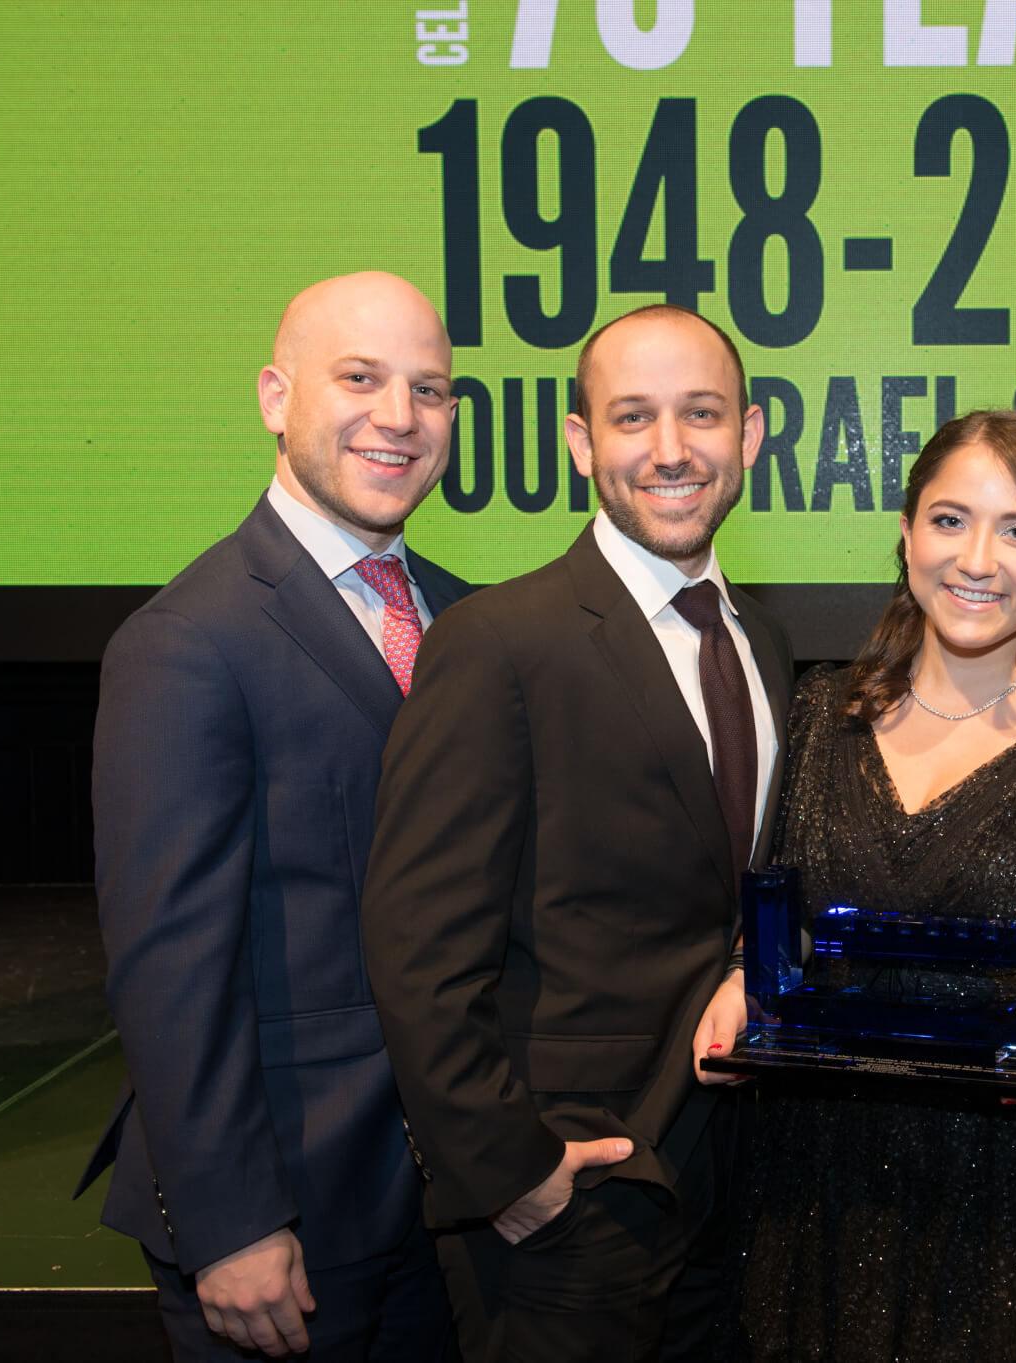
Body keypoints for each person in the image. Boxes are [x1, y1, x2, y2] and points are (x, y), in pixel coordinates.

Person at [359, 304, 793, 1363]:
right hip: (564, 1204)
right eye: (633, 417)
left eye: (702, 413)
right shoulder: (498, 642)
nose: (671, 449)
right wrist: (508, 1170)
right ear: (580, 441)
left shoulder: (763, 644)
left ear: (749, 433)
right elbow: (417, 945)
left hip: (731, 1189)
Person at [724, 409, 1016, 1363]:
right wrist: (740, 985)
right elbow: (780, 930)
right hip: (826, 1184)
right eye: (949, 520)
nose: (978, 559)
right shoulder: (821, 713)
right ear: (906, 534)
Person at [78, 271, 471, 1359]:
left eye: (428, 389)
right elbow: (169, 962)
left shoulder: (466, 619)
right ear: (274, 397)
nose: (399, 417)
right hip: (284, 1218)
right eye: (360, 378)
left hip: (447, 1210)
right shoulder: (185, 642)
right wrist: (230, 1219)